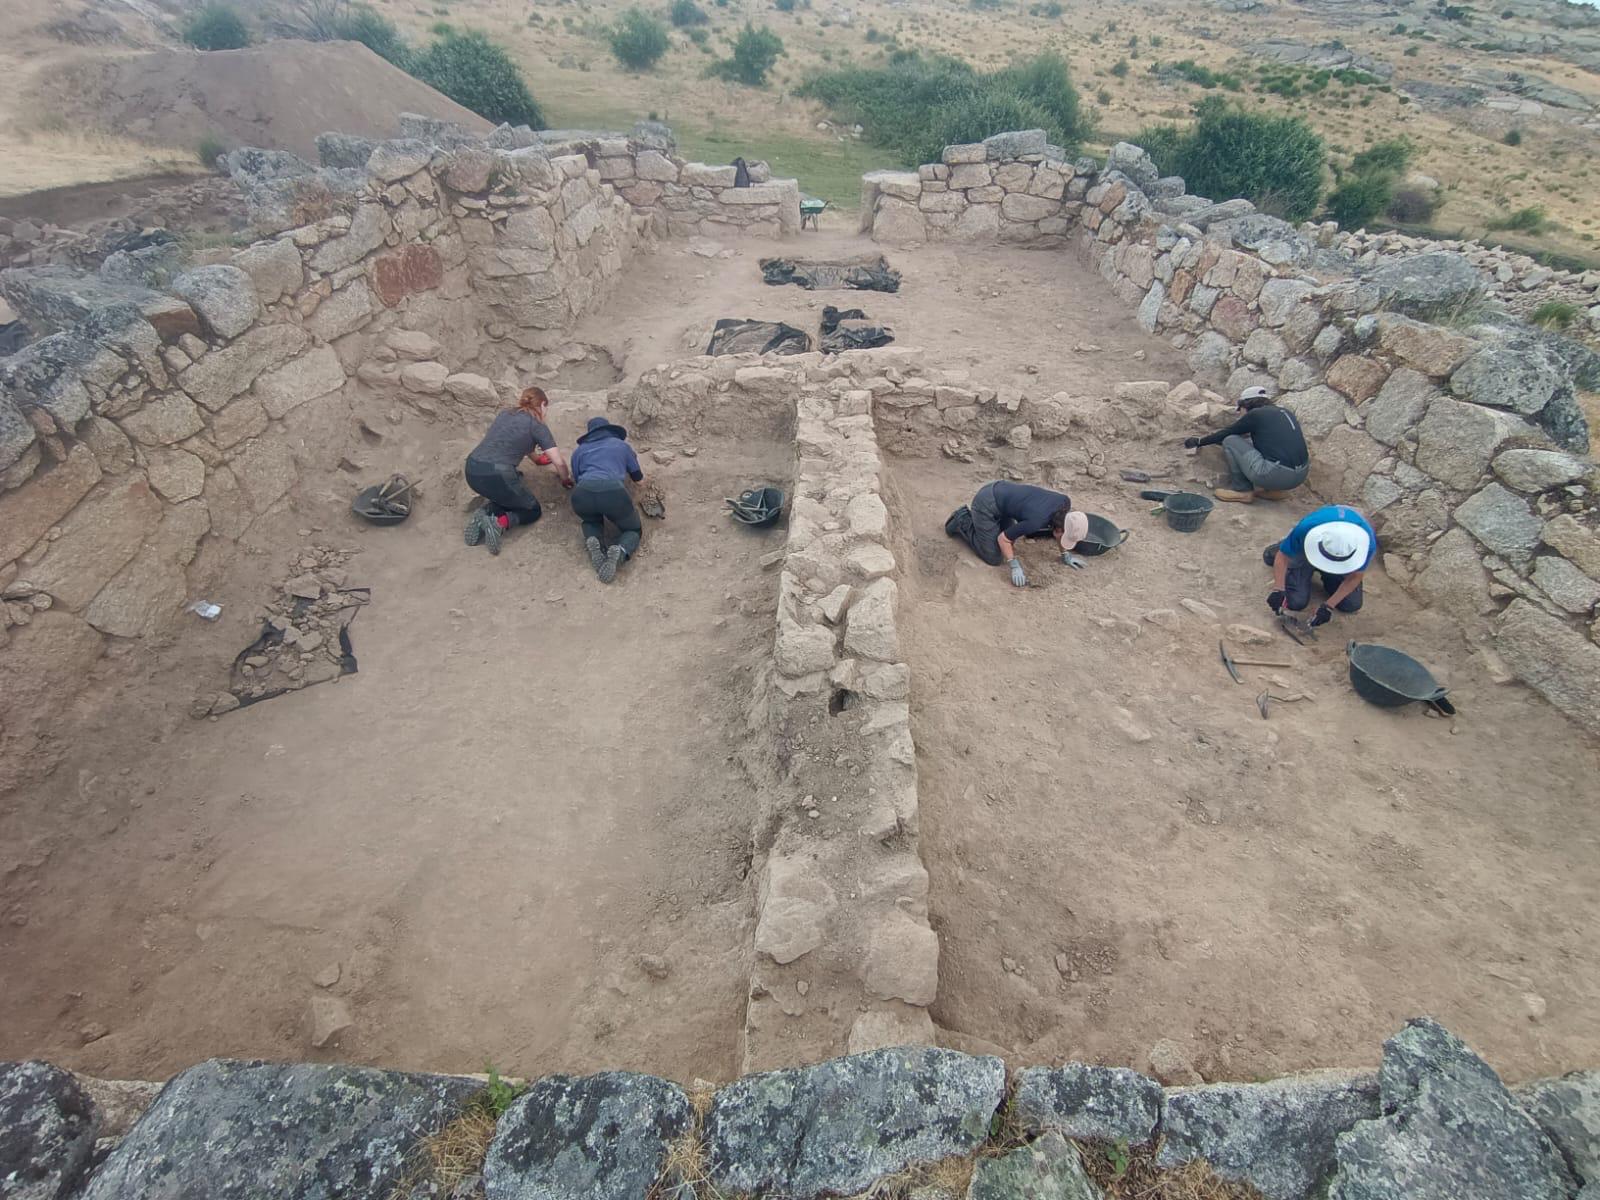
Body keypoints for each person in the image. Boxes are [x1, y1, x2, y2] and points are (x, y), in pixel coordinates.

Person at [464, 387, 571, 555]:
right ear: (542, 404)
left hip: (472, 469)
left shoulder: (506, 414)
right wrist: (565, 479)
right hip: (497, 474)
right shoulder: (537, 425)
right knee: (532, 510)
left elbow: (513, 438)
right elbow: (558, 461)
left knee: (507, 497)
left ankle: (483, 514)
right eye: (546, 407)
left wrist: (536, 459)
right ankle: (499, 524)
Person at [944, 481, 1091, 588]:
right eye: (1064, 536)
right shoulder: (1035, 522)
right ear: (1060, 529)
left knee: (1010, 540)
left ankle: (988, 524)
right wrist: (1014, 566)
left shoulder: (1065, 503)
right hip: (986, 503)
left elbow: (1059, 532)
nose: (1061, 538)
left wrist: (1065, 554)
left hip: (1004, 495)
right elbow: (1003, 539)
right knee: (994, 557)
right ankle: (961, 519)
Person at [1183, 386, 1309, 503]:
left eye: (1239, 409)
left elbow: (1227, 433)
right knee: (1258, 445)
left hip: (1274, 474)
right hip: (1300, 476)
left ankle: (1242, 491)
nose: (1239, 412)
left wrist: (1200, 442)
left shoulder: (1256, 414)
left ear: (1245, 405)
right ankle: (1276, 491)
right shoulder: (1284, 412)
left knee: (1230, 440)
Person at [1264, 504, 1376, 628]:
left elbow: (1355, 576)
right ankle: (1287, 545)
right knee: (1296, 602)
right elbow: (1283, 556)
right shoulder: (1307, 528)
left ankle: (1323, 571)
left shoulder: (1367, 543)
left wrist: (1328, 607)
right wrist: (1278, 590)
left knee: (1351, 604)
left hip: (1337, 554)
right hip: (1305, 548)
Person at [569, 416, 645, 584]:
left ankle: (594, 541)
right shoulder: (621, 446)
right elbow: (638, 478)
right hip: (613, 493)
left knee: (591, 520)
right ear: (610, 431)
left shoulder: (578, 452)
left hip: (582, 494)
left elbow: (577, 478)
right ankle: (620, 550)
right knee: (633, 530)